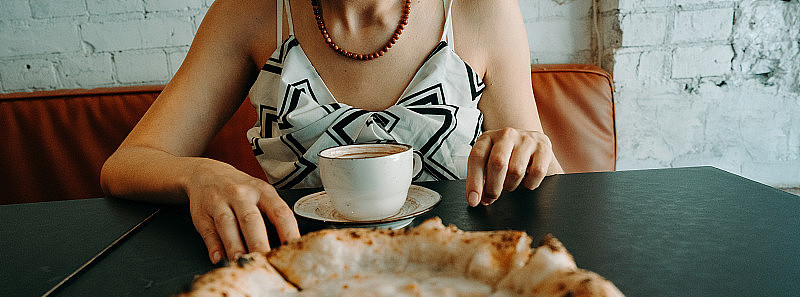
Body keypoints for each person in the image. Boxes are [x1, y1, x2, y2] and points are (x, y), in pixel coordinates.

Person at [101, 0, 562, 264]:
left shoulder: (481, 10)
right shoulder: (250, 11)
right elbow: (127, 163)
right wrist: (200, 175)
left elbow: (540, 168)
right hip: (303, 283)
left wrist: (527, 150)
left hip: (458, 271)